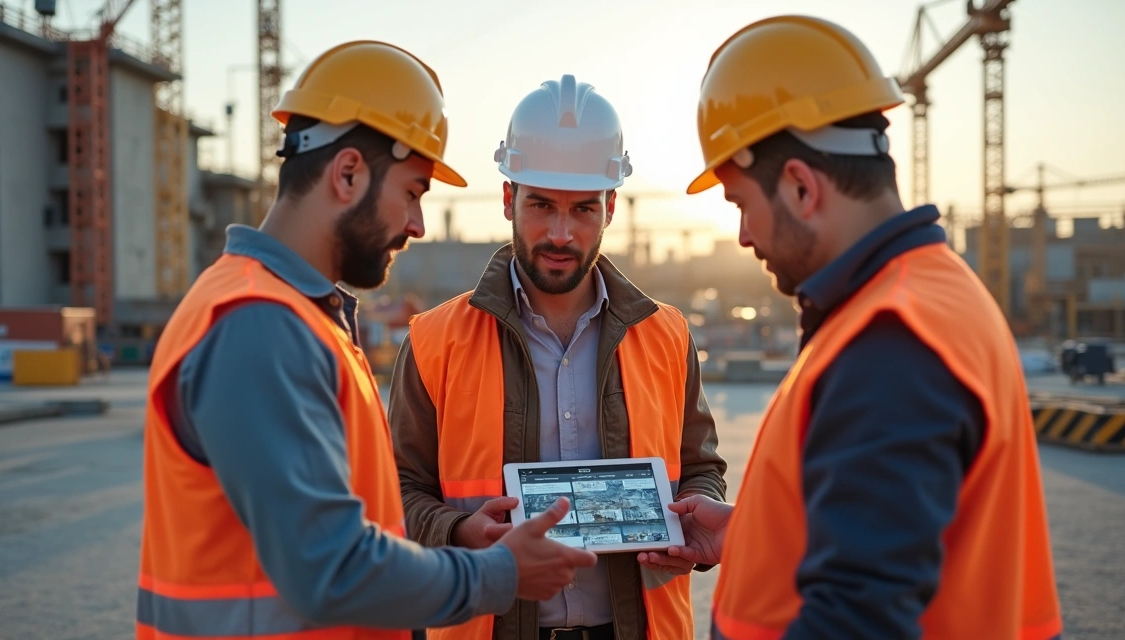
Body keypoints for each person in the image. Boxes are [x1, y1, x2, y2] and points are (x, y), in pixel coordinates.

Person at [135, 41, 597, 640]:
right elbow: (332, 570)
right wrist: (499, 573)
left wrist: (461, 539)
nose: (418, 225)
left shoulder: (294, 315)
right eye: (412, 192)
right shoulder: (258, 323)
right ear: (348, 173)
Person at [653, 15, 1064, 640]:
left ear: (800, 187)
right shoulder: (936, 294)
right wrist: (752, 532)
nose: (742, 236)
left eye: (741, 204)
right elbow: (902, 544)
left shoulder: (890, 344)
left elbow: (856, 618)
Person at [388, 74, 728, 640]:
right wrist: (457, 531)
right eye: (541, 205)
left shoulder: (666, 335)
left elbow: (700, 469)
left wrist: (692, 514)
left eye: (583, 209)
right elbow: (393, 490)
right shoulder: (433, 341)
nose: (561, 234)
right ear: (508, 200)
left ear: (611, 207)